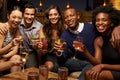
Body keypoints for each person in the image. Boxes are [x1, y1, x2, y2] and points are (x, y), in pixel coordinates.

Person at [54, 7, 120, 80]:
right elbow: (62, 57)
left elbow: (109, 24)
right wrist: (59, 52)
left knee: (88, 73)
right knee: (56, 66)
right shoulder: (65, 35)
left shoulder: (91, 28)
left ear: (78, 16)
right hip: (81, 61)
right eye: (66, 17)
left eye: (71, 15)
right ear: (64, 20)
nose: (69, 19)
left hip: (92, 62)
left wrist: (117, 28)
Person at [0, 2, 43, 68]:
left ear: (35, 15)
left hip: (30, 51)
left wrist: (37, 46)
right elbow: (9, 22)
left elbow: (41, 43)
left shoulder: (39, 26)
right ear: (23, 14)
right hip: (18, 51)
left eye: (32, 14)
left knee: (31, 69)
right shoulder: (17, 23)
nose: (29, 17)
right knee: (16, 60)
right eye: (27, 14)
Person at [85, 5, 120, 80]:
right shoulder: (98, 40)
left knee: (92, 75)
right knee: (88, 73)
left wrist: (102, 66)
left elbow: (100, 65)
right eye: (97, 20)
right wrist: (85, 51)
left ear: (112, 23)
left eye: (104, 20)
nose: (100, 23)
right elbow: (97, 62)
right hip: (108, 69)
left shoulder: (117, 37)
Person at [36, 5, 64, 72]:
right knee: (49, 66)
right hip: (48, 56)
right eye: (50, 15)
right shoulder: (43, 30)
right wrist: (40, 48)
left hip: (61, 55)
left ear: (59, 15)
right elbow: (42, 50)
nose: (53, 17)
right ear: (48, 17)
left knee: (58, 66)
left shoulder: (64, 28)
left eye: (55, 14)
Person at [0, 6, 24, 76]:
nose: (16, 20)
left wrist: (4, 57)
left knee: (17, 58)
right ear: (8, 16)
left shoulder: (17, 29)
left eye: (19, 18)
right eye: (14, 17)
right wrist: (11, 45)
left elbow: (15, 50)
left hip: (4, 58)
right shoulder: (3, 29)